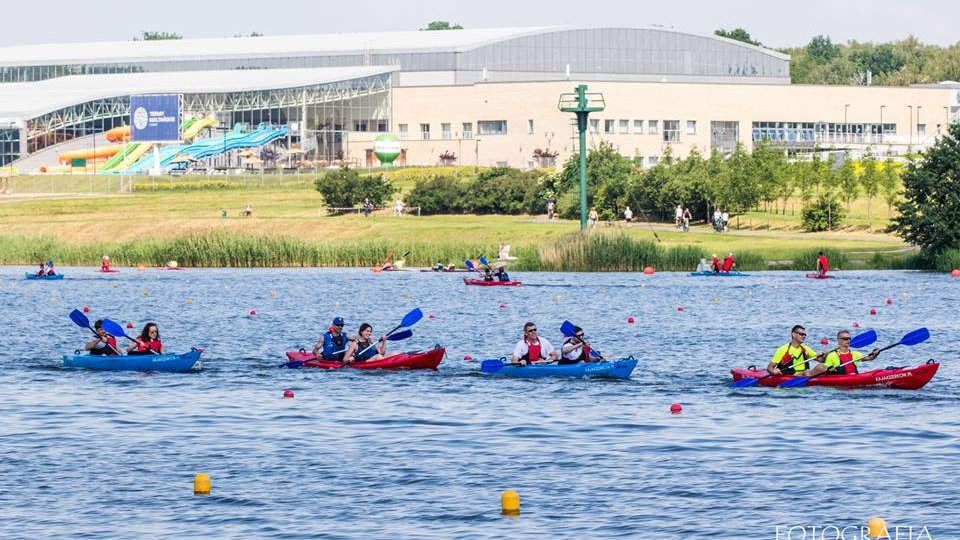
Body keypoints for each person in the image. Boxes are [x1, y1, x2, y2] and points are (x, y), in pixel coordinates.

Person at [805, 330, 881, 377]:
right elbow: (825, 370)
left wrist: (875, 353)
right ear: (839, 341)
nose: (847, 340)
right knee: (821, 366)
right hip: (840, 380)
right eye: (845, 339)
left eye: (849, 339)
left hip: (854, 377)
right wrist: (830, 370)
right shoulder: (832, 355)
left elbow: (869, 358)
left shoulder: (855, 354)